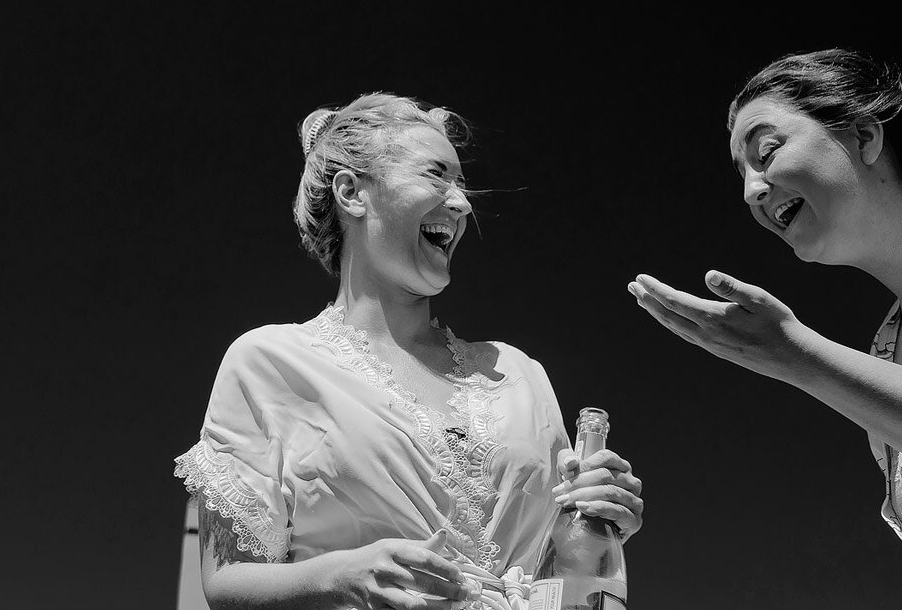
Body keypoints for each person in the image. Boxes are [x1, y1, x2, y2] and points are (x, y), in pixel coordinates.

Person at [175, 93, 645, 610]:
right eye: (436, 175)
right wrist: (341, 575)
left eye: (462, 184)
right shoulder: (268, 363)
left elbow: (562, 567)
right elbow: (223, 582)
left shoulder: (517, 373)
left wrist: (604, 516)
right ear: (352, 193)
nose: (462, 203)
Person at [628, 48, 902, 572]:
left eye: (766, 152)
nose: (751, 192)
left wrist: (797, 355)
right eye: (742, 174)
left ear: (864, 136)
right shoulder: (887, 345)